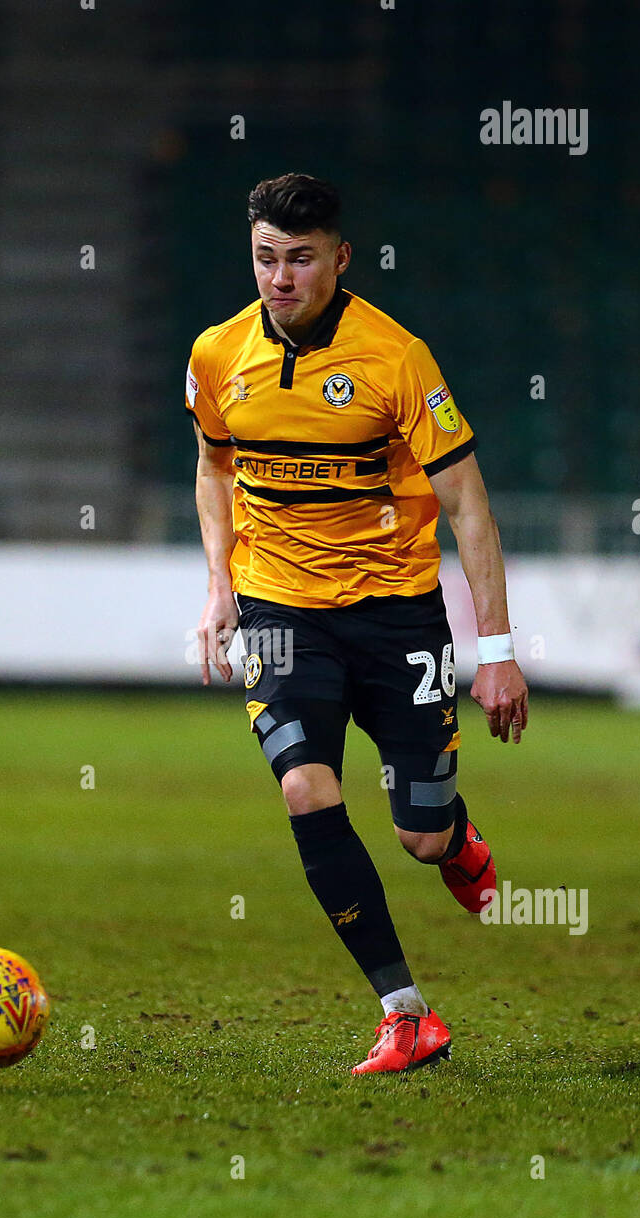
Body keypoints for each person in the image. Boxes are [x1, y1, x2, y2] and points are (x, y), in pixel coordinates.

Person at [187, 173, 528, 1074]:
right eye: (266, 258)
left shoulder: (397, 360)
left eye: (300, 259)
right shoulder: (217, 356)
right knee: (305, 784)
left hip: (395, 611)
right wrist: (221, 587)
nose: (280, 278)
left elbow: (470, 508)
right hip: (278, 606)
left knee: (418, 833)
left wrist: (496, 654)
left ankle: (454, 838)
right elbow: (214, 470)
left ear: (341, 258)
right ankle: (405, 1011)